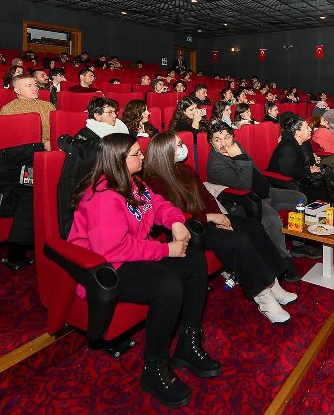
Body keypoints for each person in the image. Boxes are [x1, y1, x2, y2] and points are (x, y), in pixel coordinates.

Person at [69, 133, 220, 407]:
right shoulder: (103, 197)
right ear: (118, 161)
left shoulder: (134, 182)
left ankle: (188, 342)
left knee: (194, 260)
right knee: (168, 286)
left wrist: (175, 221)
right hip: (106, 269)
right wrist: (164, 250)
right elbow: (113, 250)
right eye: (136, 154)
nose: (142, 157)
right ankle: (155, 368)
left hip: (133, 254)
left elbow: (158, 204)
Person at [144, 131, 296, 324]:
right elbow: (174, 216)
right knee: (239, 241)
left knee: (254, 227)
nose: (184, 148)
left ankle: (273, 284)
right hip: (191, 228)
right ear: (165, 152)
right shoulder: (155, 182)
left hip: (208, 219)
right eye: (179, 145)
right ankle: (264, 298)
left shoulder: (185, 170)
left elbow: (207, 198)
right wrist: (209, 218)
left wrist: (221, 218)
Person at [206, 120, 314, 273]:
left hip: (267, 192)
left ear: (232, 137)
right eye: (218, 140)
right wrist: (240, 157)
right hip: (249, 201)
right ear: (211, 143)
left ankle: (298, 244)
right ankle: (282, 259)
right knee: (272, 219)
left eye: (227, 137)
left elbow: (253, 170)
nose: (224, 143)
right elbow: (243, 186)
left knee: (300, 198)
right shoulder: (216, 165)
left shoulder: (235, 146)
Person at [268, 114, 334, 202]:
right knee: (323, 186)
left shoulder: (304, 142)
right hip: (287, 183)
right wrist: (309, 171)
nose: (310, 129)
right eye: (307, 128)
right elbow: (288, 171)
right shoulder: (287, 147)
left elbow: (310, 162)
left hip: (302, 176)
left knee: (328, 174)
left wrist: (312, 167)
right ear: (298, 132)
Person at [0, 74, 55, 150]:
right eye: (29, 85)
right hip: (25, 150)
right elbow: (9, 138)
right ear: (17, 90)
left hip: (52, 145)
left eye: (36, 85)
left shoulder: (48, 106)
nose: (35, 88)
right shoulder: (9, 109)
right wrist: (43, 145)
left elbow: (57, 129)